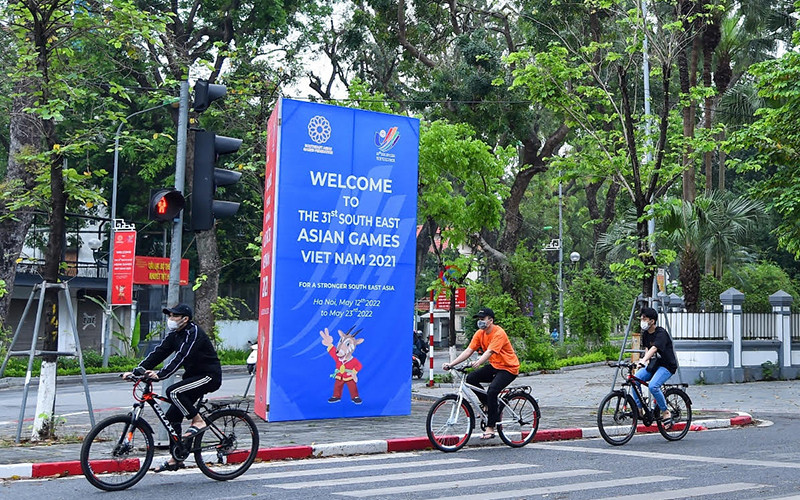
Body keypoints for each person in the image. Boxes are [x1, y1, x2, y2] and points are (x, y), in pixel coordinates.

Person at [123, 304, 222, 472]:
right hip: (192, 377)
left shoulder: (193, 333)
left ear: (185, 318)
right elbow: (159, 352)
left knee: (174, 391)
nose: (171, 319)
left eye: (174, 316)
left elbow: (182, 356)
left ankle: (198, 421)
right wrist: (136, 371)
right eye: (169, 315)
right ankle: (177, 457)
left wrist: (160, 375)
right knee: (171, 416)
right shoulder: (175, 335)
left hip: (208, 376)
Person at [442, 307, 520, 440]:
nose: (480, 322)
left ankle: (491, 427)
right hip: (495, 365)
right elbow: (468, 351)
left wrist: (478, 362)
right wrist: (451, 364)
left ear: (491, 320)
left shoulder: (498, 333)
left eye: (482, 319)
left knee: (492, 391)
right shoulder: (480, 333)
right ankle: (487, 405)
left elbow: (489, 352)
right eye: (479, 319)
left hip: (509, 368)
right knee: (471, 378)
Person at [632, 306, 679, 427]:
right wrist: (643, 364)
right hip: (654, 365)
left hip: (667, 366)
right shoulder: (646, 334)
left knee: (653, 386)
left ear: (652, 321)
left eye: (644, 318)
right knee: (634, 379)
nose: (642, 320)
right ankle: (640, 408)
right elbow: (647, 349)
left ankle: (665, 411)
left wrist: (643, 360)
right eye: (641, 318)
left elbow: (654, 348)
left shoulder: (661, 333)